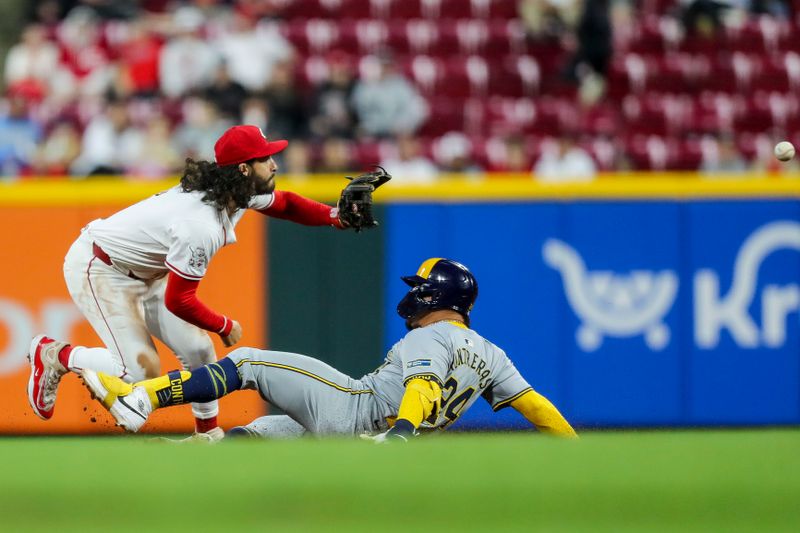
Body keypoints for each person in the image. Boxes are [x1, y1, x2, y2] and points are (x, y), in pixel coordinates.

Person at [27, 124, 383, 441]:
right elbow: (179, 300)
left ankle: (205, 436)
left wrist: (334, 216)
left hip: (149, 270)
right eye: (265, 158)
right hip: (102, 266)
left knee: (199, 353)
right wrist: (223, 324)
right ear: (244, 168)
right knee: (138, 372)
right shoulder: (201, 224)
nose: (274, 164)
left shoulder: (234, 191)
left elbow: (285, 204)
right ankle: (55, 354)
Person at [74, 258, 577, 441]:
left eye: (421, 286)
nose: (413, 293)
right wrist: (574, 447)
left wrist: (400, 433)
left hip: (361, 413)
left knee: (248, 361)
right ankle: (196, 451)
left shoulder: (430, 335)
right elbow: (535, 405)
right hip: (375, 432)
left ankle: (140, 399)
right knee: (261, 433)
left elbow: (422, 386)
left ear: (435, 296)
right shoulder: (491, 352)